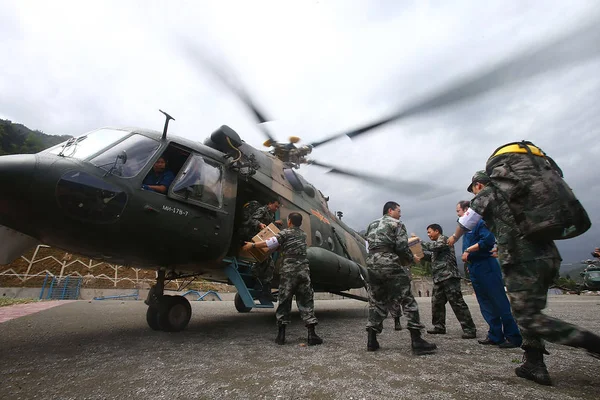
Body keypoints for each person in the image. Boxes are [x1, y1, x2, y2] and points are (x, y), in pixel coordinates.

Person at [448, 170, 600, 386]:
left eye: (473, 188)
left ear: (479, 185)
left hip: (522, 260)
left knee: (528, 317)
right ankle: (534, 363)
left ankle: (591, 342)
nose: (473, 192)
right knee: (526, 311)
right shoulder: (518, 195)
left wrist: (453, 238)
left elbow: (466, 221)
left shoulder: (488, 193)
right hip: (547, 256)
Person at [364, 201, 437, 355]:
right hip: (389, 262)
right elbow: (402, 247)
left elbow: (368, 244)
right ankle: (417, 340)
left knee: (376, 301)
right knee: (407, 299)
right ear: (390, 210)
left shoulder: (372, 224)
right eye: (398, 210)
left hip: (371, 263)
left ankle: (372, 339)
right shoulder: (397, 224)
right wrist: (412, 259)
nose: (400, 213)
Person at [242, 212, 323, 346]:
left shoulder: (285, 233)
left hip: (289, 271)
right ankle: (312, 335)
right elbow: (286, 245)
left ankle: (281, 336)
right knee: (306, 300)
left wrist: (253, 246)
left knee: (285, 300)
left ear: (290, 221)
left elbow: (269, 243)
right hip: (303, 271)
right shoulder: (303, 235)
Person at [456, 200, 522, 348]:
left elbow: (488, 240)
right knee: (485, 303)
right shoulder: (467, 228)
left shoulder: (480, 222)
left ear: (467, 210)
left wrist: (468, 251)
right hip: (475, 267)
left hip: (486, 265)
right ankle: (495, 335)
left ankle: (513, 336)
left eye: (459, 211)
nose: (458, 215)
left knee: (499, 301)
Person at [422, 223, 477, 339]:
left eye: (429, 232)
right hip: (439, 278)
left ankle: (469, 329)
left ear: (437, 231)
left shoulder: (445, 240)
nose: (428, 234)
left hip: (449, 277)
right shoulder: (436, 246)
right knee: (436, 303)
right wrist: (419, 255)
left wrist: (417, 242)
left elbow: (433, 247)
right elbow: (432, 257)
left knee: (457, 303)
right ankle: (439, 327)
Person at [242, 198, 283, 300]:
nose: (276, 209)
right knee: (269, 265)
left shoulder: (271, 214)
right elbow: (252, 220)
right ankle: (264, 290)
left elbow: (268, 224)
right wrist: (259, 224)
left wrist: (275, 223)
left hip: (261, 240)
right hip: (255, 238)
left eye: (278, 207)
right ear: (269, 203)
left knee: (266, 263)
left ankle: (257, 282)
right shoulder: (262, 210)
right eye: (275, 206)